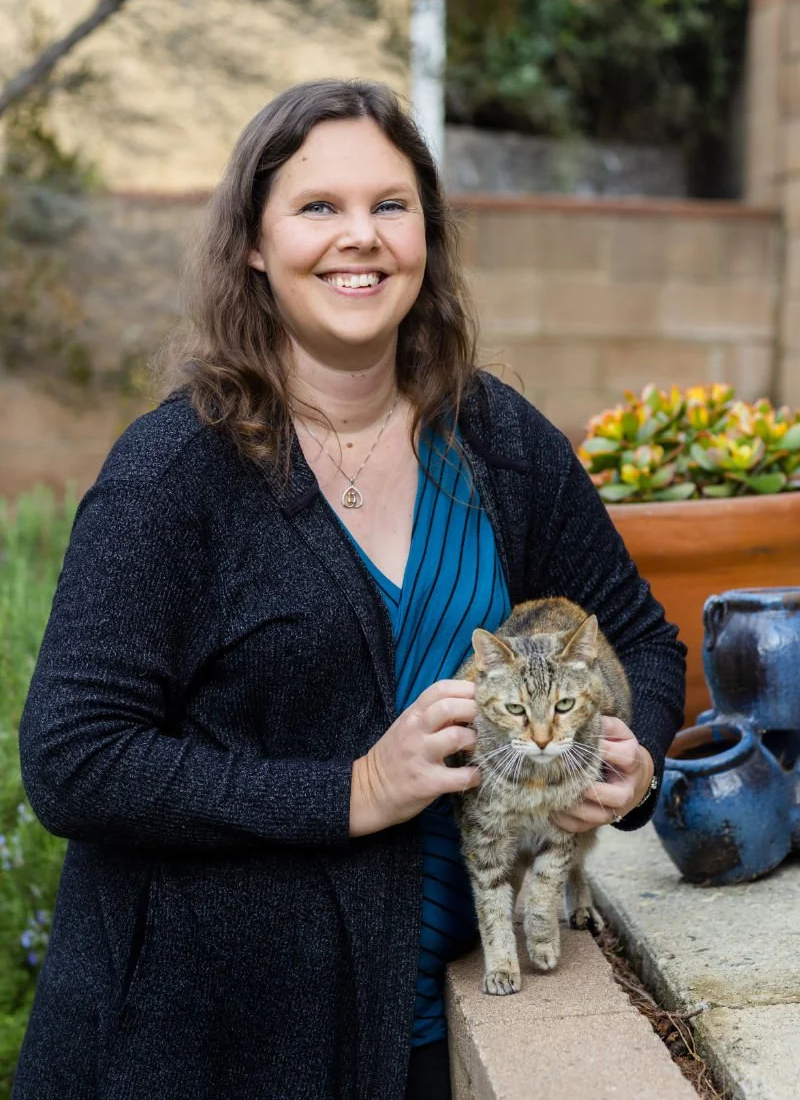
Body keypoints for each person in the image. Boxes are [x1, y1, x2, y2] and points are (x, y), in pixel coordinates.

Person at [14, 79, 685, 1100]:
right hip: (218, 1045)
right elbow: (74, 757)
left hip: (427, 1025)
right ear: (253, 240)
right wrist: (353, 788)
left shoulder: (493, 439)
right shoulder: (171, 477)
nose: (359, 237)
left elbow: (639, 632)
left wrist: (625, 762)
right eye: (317, 207)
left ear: (426, 233)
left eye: (389, 205)